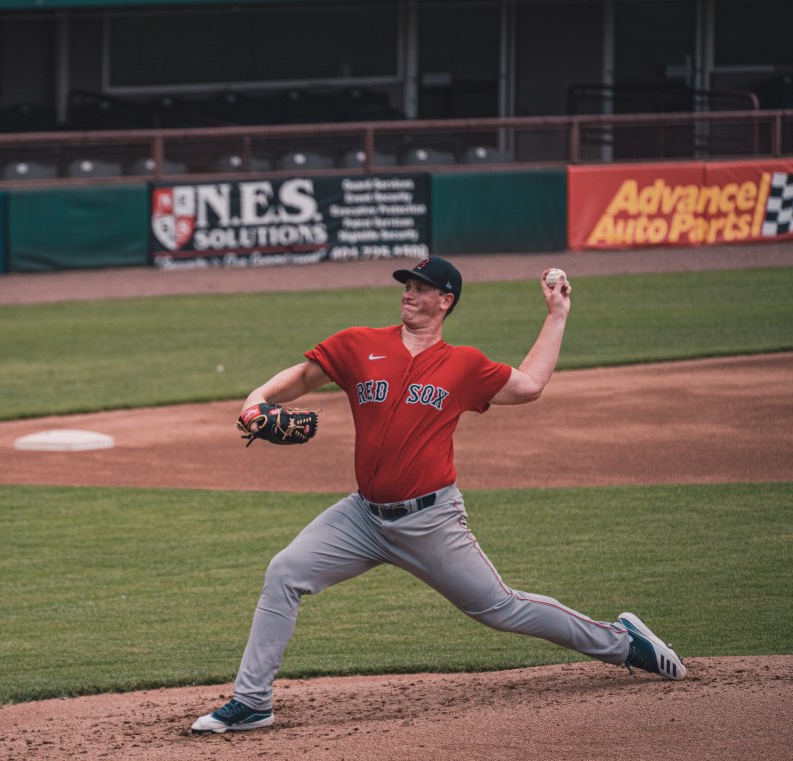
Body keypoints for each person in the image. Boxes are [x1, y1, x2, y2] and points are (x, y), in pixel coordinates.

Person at [192, 256, 686, 734]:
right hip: (362, 518)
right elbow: (303, 376)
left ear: (446, 301)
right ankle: (253, 702)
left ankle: (624, 642)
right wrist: (257, 400)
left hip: (431, 522)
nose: (409, 293)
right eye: (407, 285)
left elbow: (530, 384)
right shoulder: (360, 344)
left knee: (500, 608)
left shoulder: (463, 365)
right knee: (285, 571)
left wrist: (557, 314)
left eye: (421, 287)